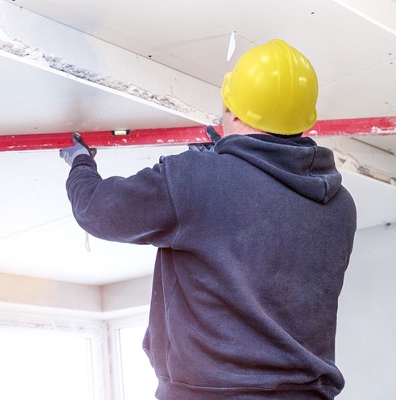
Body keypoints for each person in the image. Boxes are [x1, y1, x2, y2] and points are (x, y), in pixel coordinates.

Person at [60, 39, 356, 399]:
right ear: (304, 120)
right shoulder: (341, 205)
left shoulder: (196, 179)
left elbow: (97, 210)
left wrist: (80, 163)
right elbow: (259, 216)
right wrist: (224, 160)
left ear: (233, 112)